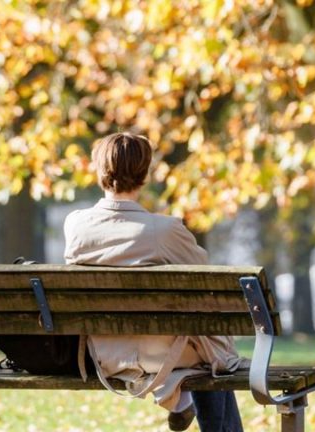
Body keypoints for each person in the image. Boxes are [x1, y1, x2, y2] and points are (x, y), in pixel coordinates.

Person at [64, 132, 246, 432]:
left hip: (104, 352)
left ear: (99, 170)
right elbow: (205, 277)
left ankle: (178, 399)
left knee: (206, 343)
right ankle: (177, 396)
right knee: (214, 350)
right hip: (162, 354)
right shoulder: (164, 230)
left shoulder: (75, 226)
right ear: (144, 173)